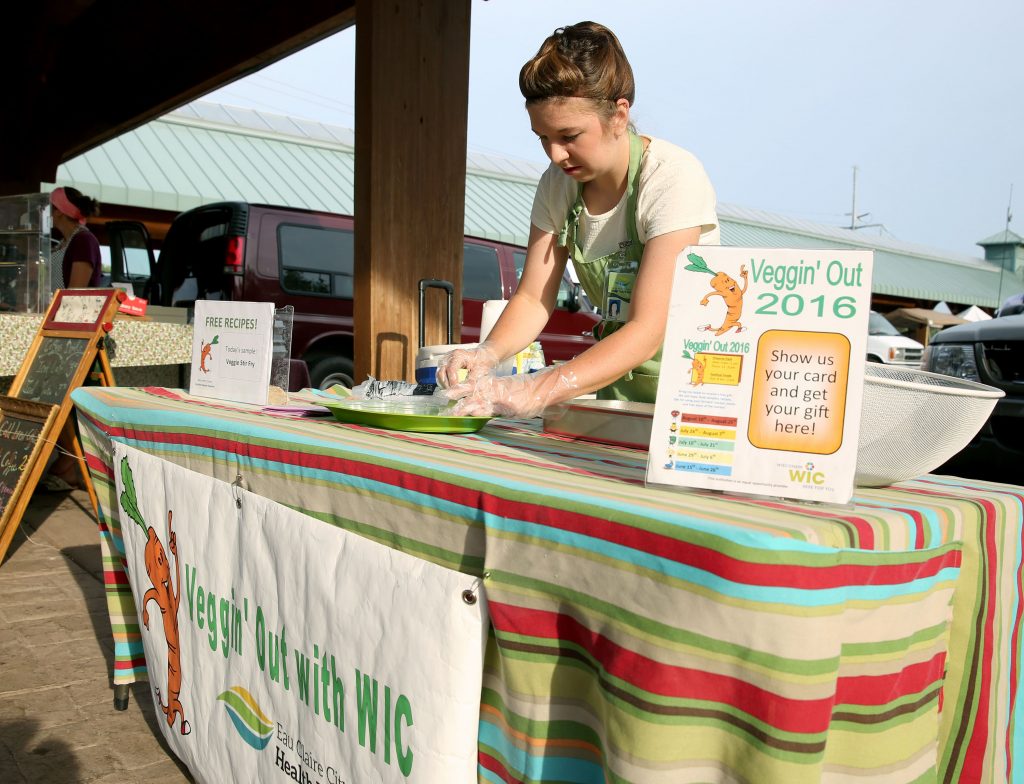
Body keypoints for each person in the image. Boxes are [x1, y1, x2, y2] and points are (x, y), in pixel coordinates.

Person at [438, 21, 719, 417]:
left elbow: (648, 327)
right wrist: (487, 353)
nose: (555, 154)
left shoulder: (672, 177)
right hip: (616, 391)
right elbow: (534, 297)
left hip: (694, 394)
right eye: (543, 138)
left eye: (569, 136)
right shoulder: (558, 186)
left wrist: (537, 388)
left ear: (619, 115)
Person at [50, 186, 102, 289]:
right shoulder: (64, 241)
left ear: (59, 211)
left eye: (49, 207)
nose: (45, 211)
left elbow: (76, 291)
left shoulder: (84, 240)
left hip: (70, 305)